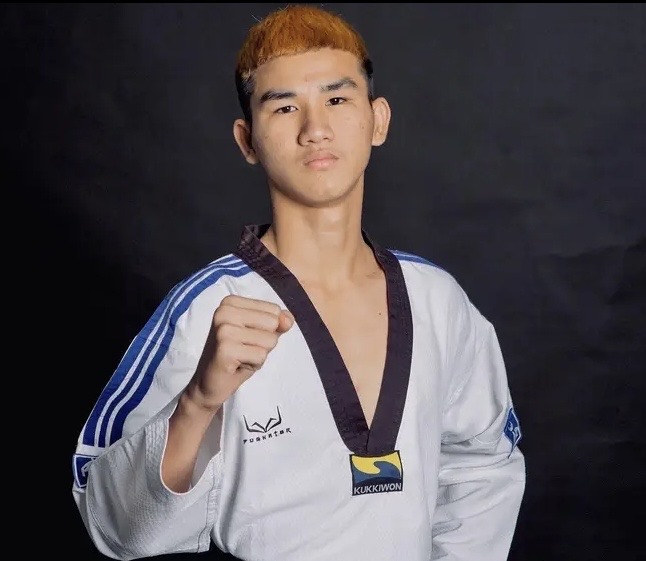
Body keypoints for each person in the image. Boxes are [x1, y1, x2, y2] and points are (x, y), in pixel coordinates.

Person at [71, 4, 526, 561]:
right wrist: (197, 404)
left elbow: (481, 468)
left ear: (378, 120)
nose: (315, 130)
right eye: (285, 107)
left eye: (337, 100)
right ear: (247, 140)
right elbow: (112, 526)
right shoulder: (208, 309)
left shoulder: (438, 301)